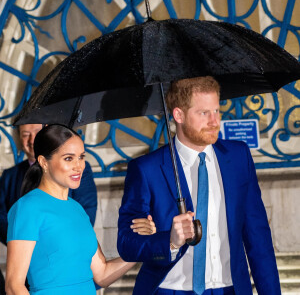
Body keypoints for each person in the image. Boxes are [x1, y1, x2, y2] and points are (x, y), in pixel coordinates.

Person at [117, 76, 281, 295]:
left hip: (230, 289)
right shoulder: (146, 169)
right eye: (204, 113)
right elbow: (127, 244)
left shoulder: (239, 156)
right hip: (170, 290)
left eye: (216, 111)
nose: (214, 121)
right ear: (179, 115)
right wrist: (170, 242)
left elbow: (258, 236)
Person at [5, 124, 156, 295]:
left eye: (81, 157)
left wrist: (144, 244)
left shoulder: (77, 209)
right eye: (69, 158)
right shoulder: (27, 208)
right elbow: (13, 286)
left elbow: (103, 274)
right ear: (43, 162)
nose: (79, 166)